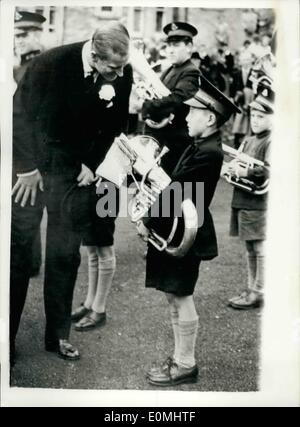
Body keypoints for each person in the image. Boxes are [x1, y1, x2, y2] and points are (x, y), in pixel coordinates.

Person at [11, 21, 133, 364]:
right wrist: (27, 169)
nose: (119, 74)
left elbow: (116, 124)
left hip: (73, 172)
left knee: (65, 255)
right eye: (112, 68)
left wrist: (92, 163)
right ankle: (6, 339)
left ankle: (57, 336)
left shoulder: (122, 70)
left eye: (122, 67)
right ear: (94, 56)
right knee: (18, 255)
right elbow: (16, 116)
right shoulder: (49, 64)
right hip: (29, 169)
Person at [137, 75, 240, 386]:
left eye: (193, 111)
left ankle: (185, 363)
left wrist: (146, 220)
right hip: (177, 226)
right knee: (174, 295)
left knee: (181, 297)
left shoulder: (208, 151)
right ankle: (181, 358)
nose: (187, 115)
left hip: (182, 231)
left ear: (209, 118)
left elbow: (175, 195)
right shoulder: (200, 143)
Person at [227, 84, 274, 309]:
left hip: (258, 203)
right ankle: (252, 287)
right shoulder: (248, 139)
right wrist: (232, 167)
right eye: (253, 115)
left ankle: (260, 290)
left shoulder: (271, 141)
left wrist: (246, 171)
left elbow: (268, 170)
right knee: (249, 247)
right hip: (244, 200)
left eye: (261, 116)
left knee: (259, 247)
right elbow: (239, 161)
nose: (255, 120)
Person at [141, 21, 200, 175]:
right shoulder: (170, 69)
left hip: (175, 142)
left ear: (189, 47)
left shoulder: (191, 71)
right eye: (169, 46)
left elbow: (178, 100)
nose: (170, 50)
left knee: (167, 188)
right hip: (163, 138)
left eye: (176, 45)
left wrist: (148, 106)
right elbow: (157, 93)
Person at [14, 10, 47, 277]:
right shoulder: (17, 66)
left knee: (25, 216)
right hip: (20, 155)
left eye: (24, 34)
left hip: (34, 157)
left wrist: (29, 165)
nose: (19, 40)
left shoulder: (42, 66)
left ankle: (25, 267)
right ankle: (29, 264)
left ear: (38, 34)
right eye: (17, 34)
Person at [230, 50, 255, 149]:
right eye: (243, 60)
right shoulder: (236, 73)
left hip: (251, 101)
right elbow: (233, 87)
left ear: (250, 61)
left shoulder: (255, 73)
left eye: (247, 60)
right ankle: (237, 142)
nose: (245, 62)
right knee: (238, 121)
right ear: (240, 61)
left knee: (249, 121)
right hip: (239, 101)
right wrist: (234, 97)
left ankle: (249, 142)